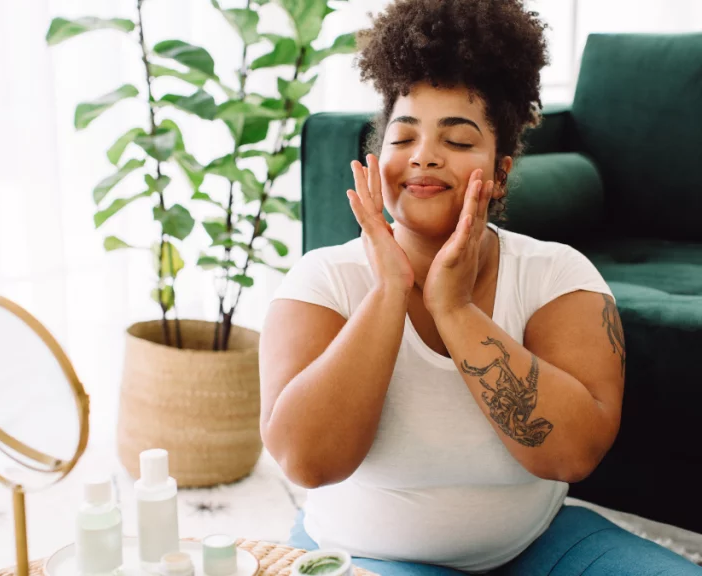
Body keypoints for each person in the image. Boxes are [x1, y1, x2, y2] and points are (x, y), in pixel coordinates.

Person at [258, 0, 702, 574]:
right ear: (376, 158)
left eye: (459, 141)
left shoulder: (558, 276)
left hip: (539, 547)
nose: (423, 157)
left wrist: (455, 308)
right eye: (403, 137)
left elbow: (573, 454)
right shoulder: (321, 280)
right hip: (368, 552)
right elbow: (307, 462)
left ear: (500, 173)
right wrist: (389, 292)